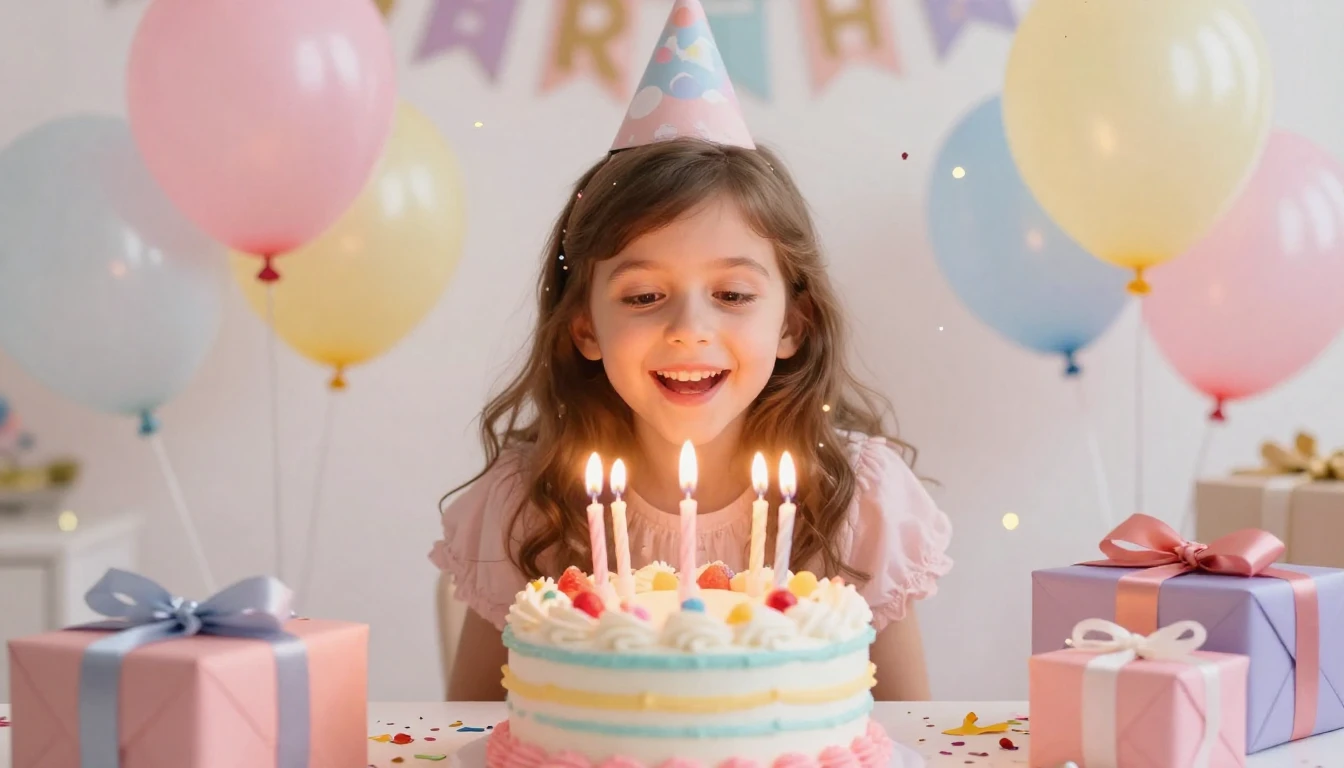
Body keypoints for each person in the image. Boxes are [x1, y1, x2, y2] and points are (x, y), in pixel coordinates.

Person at [430, 0, 951, 702]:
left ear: (793, 323)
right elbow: (470, 730)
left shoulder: (859, 504)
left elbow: (906, 733)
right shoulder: (532, 508)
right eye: (644, 297)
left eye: (733, 295)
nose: (688, 329)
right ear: (584, 326)